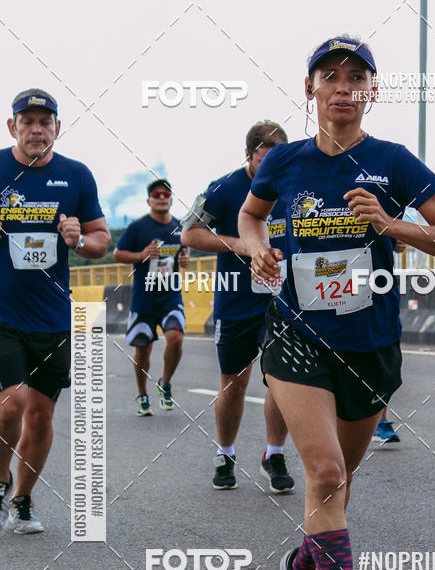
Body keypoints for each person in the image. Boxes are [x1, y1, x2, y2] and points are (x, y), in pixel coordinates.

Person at [239, 36, 435, 570]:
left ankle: (303, 561)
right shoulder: (283, 162)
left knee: (339, 483)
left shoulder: (393, 161)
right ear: (311, 87)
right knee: (324, 475)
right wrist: (257, 246)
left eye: (356, 77)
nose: (343, 87)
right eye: (330, 76)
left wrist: (391, 225)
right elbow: (250, 215)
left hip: (369, 345)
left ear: (371, 90)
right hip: (295, 339)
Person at [0, 88, 110, 534]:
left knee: (41, 414)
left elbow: (101, 240)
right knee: (12, 405)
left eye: (45, 122)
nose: (37, 129)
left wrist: (78, 239)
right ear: (13, 128)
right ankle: (0, 480)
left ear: (57, 129)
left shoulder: (76, 176)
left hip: (53, 319)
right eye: (28, 122)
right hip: (4, 314)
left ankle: (21, 501)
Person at [181, 121, 294, 493]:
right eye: (265, 155)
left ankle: (274, 454)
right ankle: (225, 452)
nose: (273, 161)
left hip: (284, 298)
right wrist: (243, 245)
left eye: (280, 153)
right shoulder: (225, 188)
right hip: (236, 300)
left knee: (281, 378)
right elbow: (190, 233)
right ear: (249, 154)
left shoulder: (295, 184)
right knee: (234, 383)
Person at [114, 179, 188, 415]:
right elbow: (117, 254)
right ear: (149, 200)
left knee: (175, 338)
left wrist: (184, 260)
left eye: (166, 193)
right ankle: (142, 394)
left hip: (170, 296)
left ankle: (164, 383)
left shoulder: (179, 227)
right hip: (144, 298)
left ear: (171, 198)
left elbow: (182, 254)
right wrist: (141, 255)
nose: (162, 197)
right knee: (142, 350)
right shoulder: (137, 228)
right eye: (157, 194)